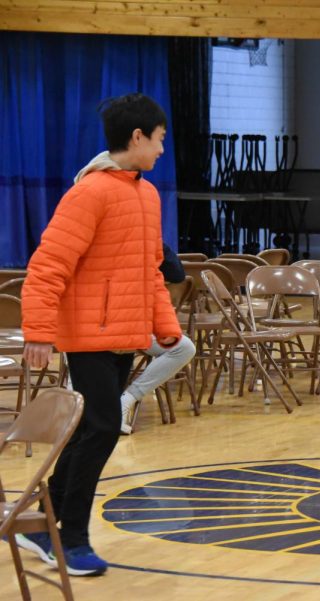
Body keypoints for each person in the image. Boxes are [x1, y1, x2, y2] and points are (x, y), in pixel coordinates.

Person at [18, 93, 182, 575]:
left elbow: (150, 270)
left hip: (125, 335)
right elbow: (48, 266)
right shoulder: (88, 193)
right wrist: (39, 332)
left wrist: (165, 326)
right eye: (159, 140)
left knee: (92, 429)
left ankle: (39, 524)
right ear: (137, 137)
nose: (161, 150)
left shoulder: (146, 194)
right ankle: (70, 539)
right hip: (87, 336)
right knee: (106, 427)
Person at [120, 243, 196, 435]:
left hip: (138, 326)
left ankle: (129, 398)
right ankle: (79, 409)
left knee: (185, 347)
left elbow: (177, 273)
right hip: (98, 329)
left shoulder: (147, 243)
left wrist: (154, 243)